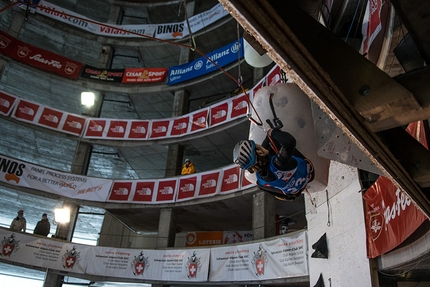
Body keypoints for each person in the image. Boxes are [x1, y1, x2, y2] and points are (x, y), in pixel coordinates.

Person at [233, 128, 314, 200]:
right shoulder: (279, 163)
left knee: (270, 144)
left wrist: (267, 143)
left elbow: (284, 194)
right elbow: (289, 142)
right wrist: (272, 132)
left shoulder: (261, 183)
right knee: (275, 141)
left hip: (297, 189)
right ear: (259, 152)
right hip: (309, 172)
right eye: (257, 147)